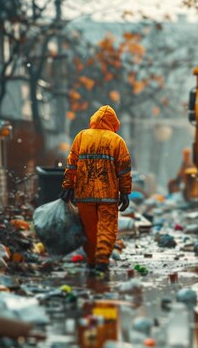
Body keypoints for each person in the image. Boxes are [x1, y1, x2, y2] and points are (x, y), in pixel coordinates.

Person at [59, 105, 132, 275]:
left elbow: (71, 164)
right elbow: (124, 169)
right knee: (106, 229)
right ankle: (102, 261)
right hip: (108, 195)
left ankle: (92, 261)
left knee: (89, 230)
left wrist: (68, 186)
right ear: (113, 122)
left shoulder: (81, 136)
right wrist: (125, 192)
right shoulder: (117, 141)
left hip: (84, 195)